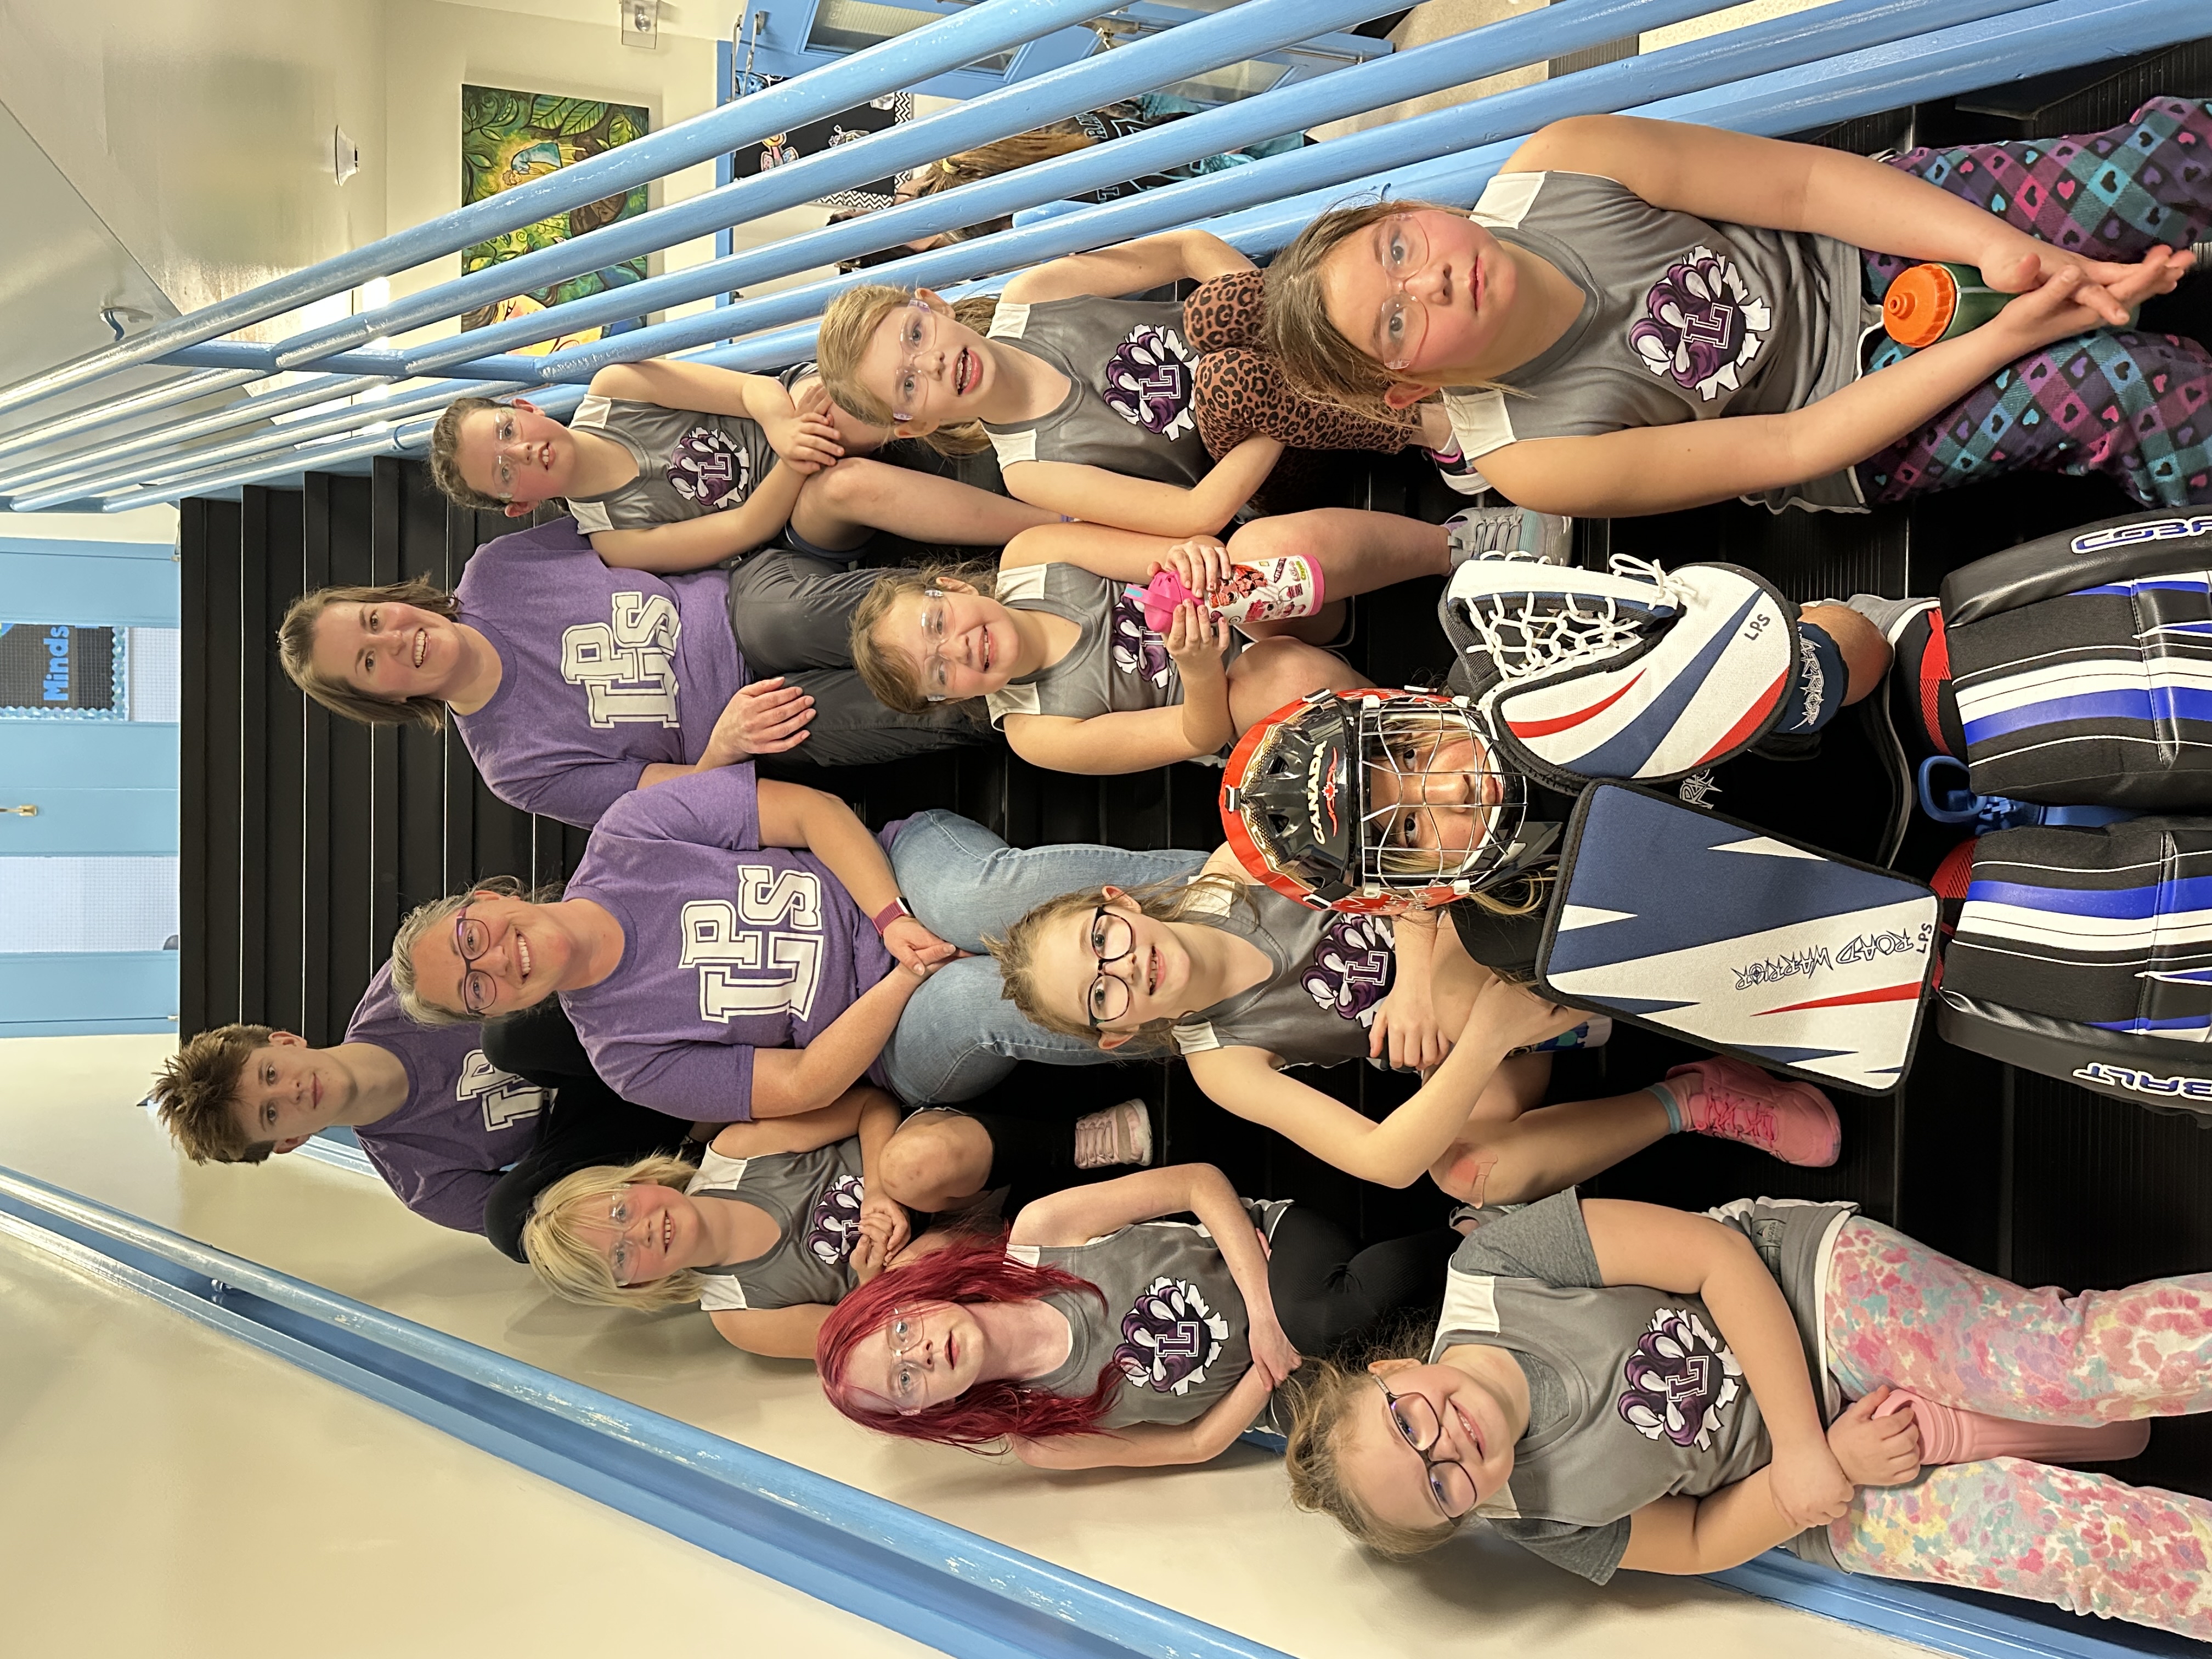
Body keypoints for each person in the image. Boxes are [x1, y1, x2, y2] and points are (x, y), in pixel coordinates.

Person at [1280, 1187, 2212, 1644]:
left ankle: (2015, 1410)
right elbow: (1689, 1536)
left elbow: (1715, 1256)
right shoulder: (1527, 1511)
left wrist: (1814, 1445)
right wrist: (1813, 1478)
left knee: (2063, 1359)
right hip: (1808, 1483)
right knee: (2066, 1551)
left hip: (1802, 1291)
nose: (1448, 1446)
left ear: (1395, 1367)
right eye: (1439, 1487)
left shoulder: (1496, 1268)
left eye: (1408, 1422)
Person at [1261, 104, 2209, 516]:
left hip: (1862, 238)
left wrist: (2007, 257)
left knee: (2142, 177)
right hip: (1858, 412)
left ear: (1406, 212)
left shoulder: (1565, 162)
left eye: (1398, 247)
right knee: (2113, 386)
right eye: (1396, 322)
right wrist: (2017, 326)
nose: (1427, 280)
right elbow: (1795, 446)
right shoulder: (1532, 459)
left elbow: (1802, 188)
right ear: (1406, 386)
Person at [987, 853, 1841, 1201]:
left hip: (1488, 914)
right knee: (1462, 1174)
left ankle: (1717, 936)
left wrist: (1418, 964)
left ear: (1118, 902)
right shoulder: (1220, 1061)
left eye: (1103, 941)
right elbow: (1382, 1161)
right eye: (1101, 996)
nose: (1125, 967)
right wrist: (1486, 1041)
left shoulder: (1234, 873)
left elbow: (1403, 843)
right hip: (1501, 1030)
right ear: (1117, 1035)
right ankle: (1691, 1102)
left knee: (1472, 972)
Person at [815, 227, 1480, 568]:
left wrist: (1282, 329)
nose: (931, 362)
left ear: (932, 306)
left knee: (1216, 311)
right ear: (913, 424)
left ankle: (1399, 349)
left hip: (1285, 360)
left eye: (915, 334)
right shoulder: (1028, 470)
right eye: (908, 385)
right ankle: (1434, 431)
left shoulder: (1032, 296)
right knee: (1230, 383)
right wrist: (1282, 395)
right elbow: (1200, 511)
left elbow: (1188, 250)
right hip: (1266, 464)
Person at [276, 514, 984, 829]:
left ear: (387, 601)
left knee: (783, 620)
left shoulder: (498, 569)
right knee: (855, 709)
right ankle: (1037, 692)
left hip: (736, 606)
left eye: (374, 621)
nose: (395, 641)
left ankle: (1010, 597)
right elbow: (664, 798)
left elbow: (645, 538)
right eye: (369, 663)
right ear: (386, 697)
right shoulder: (513, 768)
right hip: (750, 719)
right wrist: (725, 747)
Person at [390, 766, 958, 1125]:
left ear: (488, 900)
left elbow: (814, 815)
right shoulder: (627, 1061)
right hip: (893, 1038)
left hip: (893, 878)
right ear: (502, 1012)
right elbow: (803, 1081)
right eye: (476, 989)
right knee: (974, 1004)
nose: (492, 960)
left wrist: (890, 919)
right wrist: (906, 980)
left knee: (979, 897)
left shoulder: (628, 830)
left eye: (470, 939)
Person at [816, 1163, 1461, 1470]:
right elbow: (1196, 1443)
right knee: (1379, 1443)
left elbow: (1200, 1185)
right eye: (904, 1379)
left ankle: (1469, 1237)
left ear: (913, 1301)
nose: (919, 1353)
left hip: (1269, 1253)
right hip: (1276, 1392)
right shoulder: (1045, 1441)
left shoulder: (1042, 1236)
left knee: (1317, 1315)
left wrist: (1265, 1314)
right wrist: (1268, 1374)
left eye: (901, 1332)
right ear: (921, 1411)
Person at [845, 505, 1560, 775]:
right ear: (952, 698)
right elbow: (1197, 735)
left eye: (938, 624)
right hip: (1232, 700)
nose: (959, 649)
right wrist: (1194, 666)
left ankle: (1461, 546)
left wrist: (1199, 568)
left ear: (957, 590)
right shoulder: (1035, 730)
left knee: (1256, 551)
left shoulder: (1033, 557)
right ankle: (1442, 731)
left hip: (1267, 611)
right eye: (940, 673)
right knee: (1270, 674)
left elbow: (1172, 552)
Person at [521, 1088, 1157, 1356]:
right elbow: (868, 1336)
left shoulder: (737, 1153)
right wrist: (871, 1280)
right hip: (945, 1250)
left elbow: (869, 1106)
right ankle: (1105, 1250)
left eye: (620, 1212)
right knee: (919, 1269)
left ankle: (1074, 1146)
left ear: (635, 1184)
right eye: (622, 1257)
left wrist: (880, 1189)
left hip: (935, 1160)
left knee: (915, 1164)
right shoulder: (740, 1317)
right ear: (635, 1287)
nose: (641, 1232)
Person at [149, 965, 697, 1259]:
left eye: (270, 1073)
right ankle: (698, 1170)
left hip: (630, 1027)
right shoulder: (422, 1181)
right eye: (271, 1116)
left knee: (510, 1040)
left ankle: (693, 1050)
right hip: (623, 1124)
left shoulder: (408, 991)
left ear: (287, 1043)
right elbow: (569, 1231)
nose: (290, 1092)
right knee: (511, 1223)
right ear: (290, 1143)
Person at [427, 356, 1056, 570]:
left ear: (524, 406)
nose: (522, 451)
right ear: (520, 505)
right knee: (846, 483)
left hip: (788, 416)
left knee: (835, 399)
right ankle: (1044, 520)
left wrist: (788, 425)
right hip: (790, 515)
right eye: (505, 470)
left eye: (507, 431)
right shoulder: (615, 541)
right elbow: (742, 530)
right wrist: (796, 457)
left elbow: (745, 392)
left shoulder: (618, 386)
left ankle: (1014, 414)